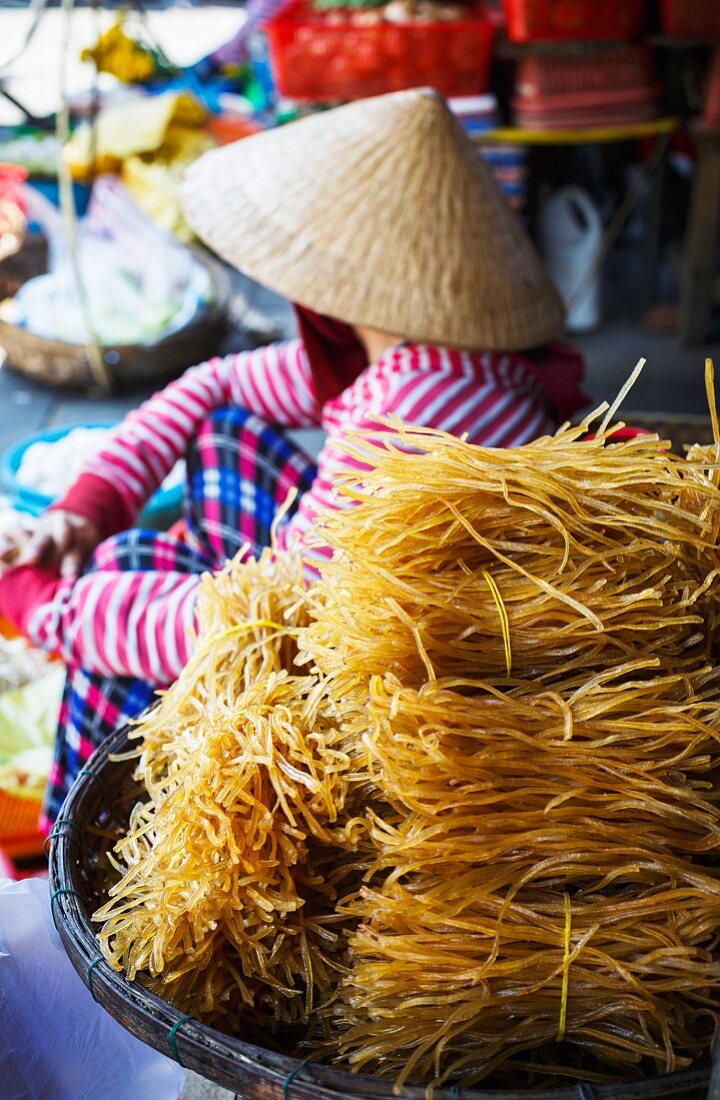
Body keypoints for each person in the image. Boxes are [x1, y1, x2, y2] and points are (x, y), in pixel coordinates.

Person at [0, 88, 587, 832]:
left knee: (114, 603)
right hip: (345, 612)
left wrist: (42, 603)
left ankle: (103, 841)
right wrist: (89, 505)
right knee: (160, 510)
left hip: (397, 701)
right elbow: (213, 384)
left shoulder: (411, 419)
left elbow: (259, 624)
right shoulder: (446, 358)